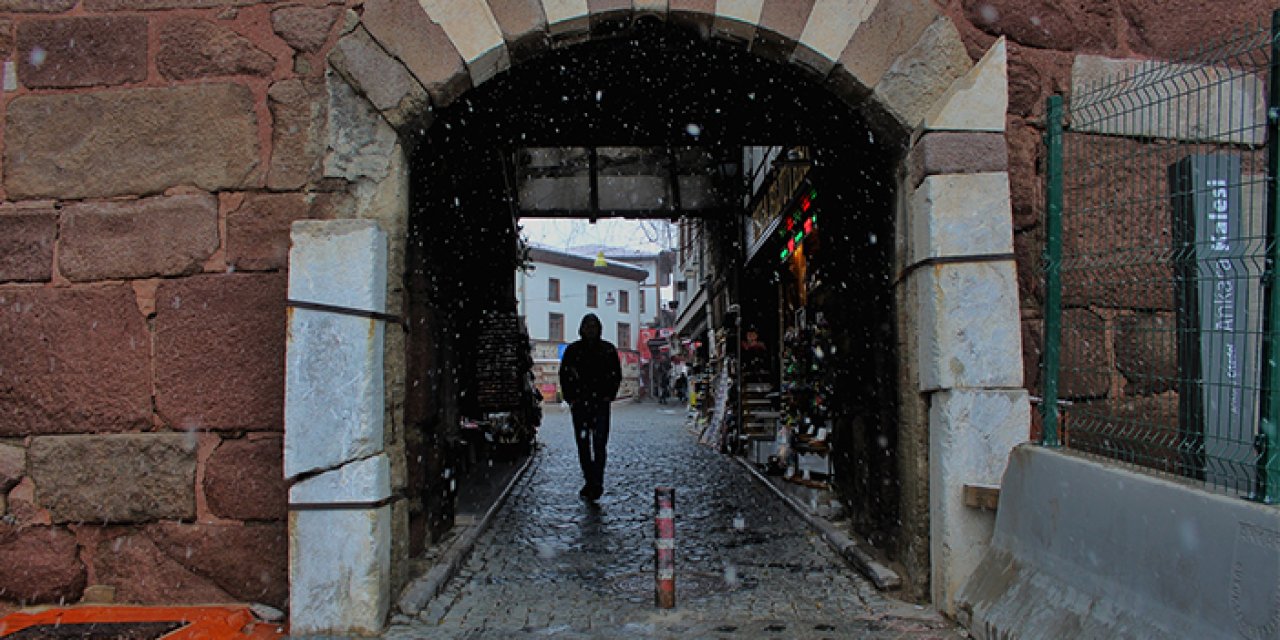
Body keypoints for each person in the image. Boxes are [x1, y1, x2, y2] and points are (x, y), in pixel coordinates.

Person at [559, 314, 622, 501]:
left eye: (594, 326)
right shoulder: (573, 350)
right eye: (587, 326)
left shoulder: (608, 350)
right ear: (582, 328)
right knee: (584, 445)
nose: (591, 329)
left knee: (600, 444)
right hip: (581, 405)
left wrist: (608, 395)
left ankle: (597, 481)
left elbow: (615, 375)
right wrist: (572, 399)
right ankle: (590, 479)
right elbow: (564, 375)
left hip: (599, 404)